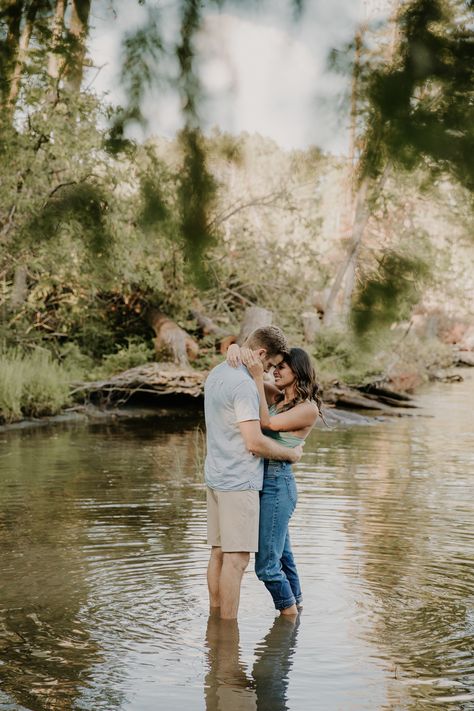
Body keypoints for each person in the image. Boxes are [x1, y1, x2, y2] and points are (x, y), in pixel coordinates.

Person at [204, 327, 303, 620]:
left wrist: (236, 349)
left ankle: (215, 622)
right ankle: (227, 636)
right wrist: (290, 454)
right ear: (260, 355)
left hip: (215, 477)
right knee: (236, 561)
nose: (271, 372)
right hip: (238, 481)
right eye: (271, 365)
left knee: (219, 553)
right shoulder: (245, 386)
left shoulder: (217, 374)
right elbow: (253, 441)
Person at [227, 345, 321, 615]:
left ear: (298, 371)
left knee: (266, 566)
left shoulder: (308, 409)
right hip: (262, 480)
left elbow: (266, 424)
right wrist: (236, 348)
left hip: (278, 485)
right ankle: (297, 609)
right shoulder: (276, 396)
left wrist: (259, 378)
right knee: (283, 556)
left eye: (282, 366)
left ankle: (288, 616)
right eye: (274, 365)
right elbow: (246, 374)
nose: (274, 371)